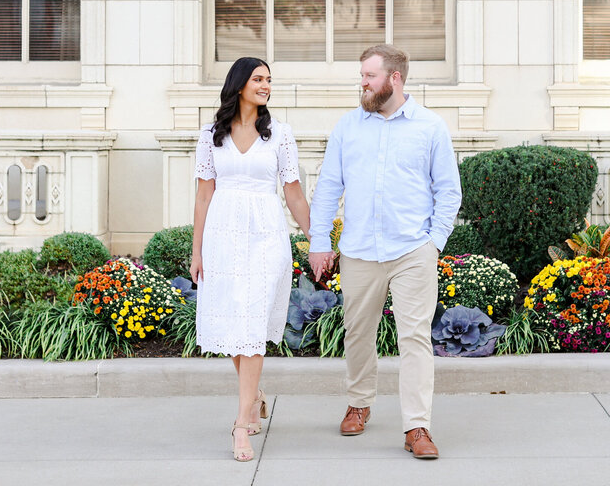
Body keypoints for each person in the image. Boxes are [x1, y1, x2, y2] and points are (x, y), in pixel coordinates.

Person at [308, 44, 462, 460]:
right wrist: (320, 241)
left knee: (415, 338)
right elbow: (327, 189)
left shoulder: (430, 127)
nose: (362, 83)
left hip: (413, 249)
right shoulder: (347, 127)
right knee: (358, 332)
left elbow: (448, 191)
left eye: (369, 76)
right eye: (361, 75)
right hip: (359, 250)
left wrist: (434, 243)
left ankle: (417, 426)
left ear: (394, 78)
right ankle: (359, 402)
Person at [190, 56, 311, 463]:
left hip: (265, 234)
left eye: (269, 80)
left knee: (253, 326)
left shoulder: (280, 134)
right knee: (230, 324)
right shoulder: (211, 135)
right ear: (239, 84)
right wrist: (197, 249)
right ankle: (255, 395)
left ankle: (241, 425)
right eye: (258, 79)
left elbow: (292, 192)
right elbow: (204, 194)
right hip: (222, 236)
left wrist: (317, 237)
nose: (266, 85)